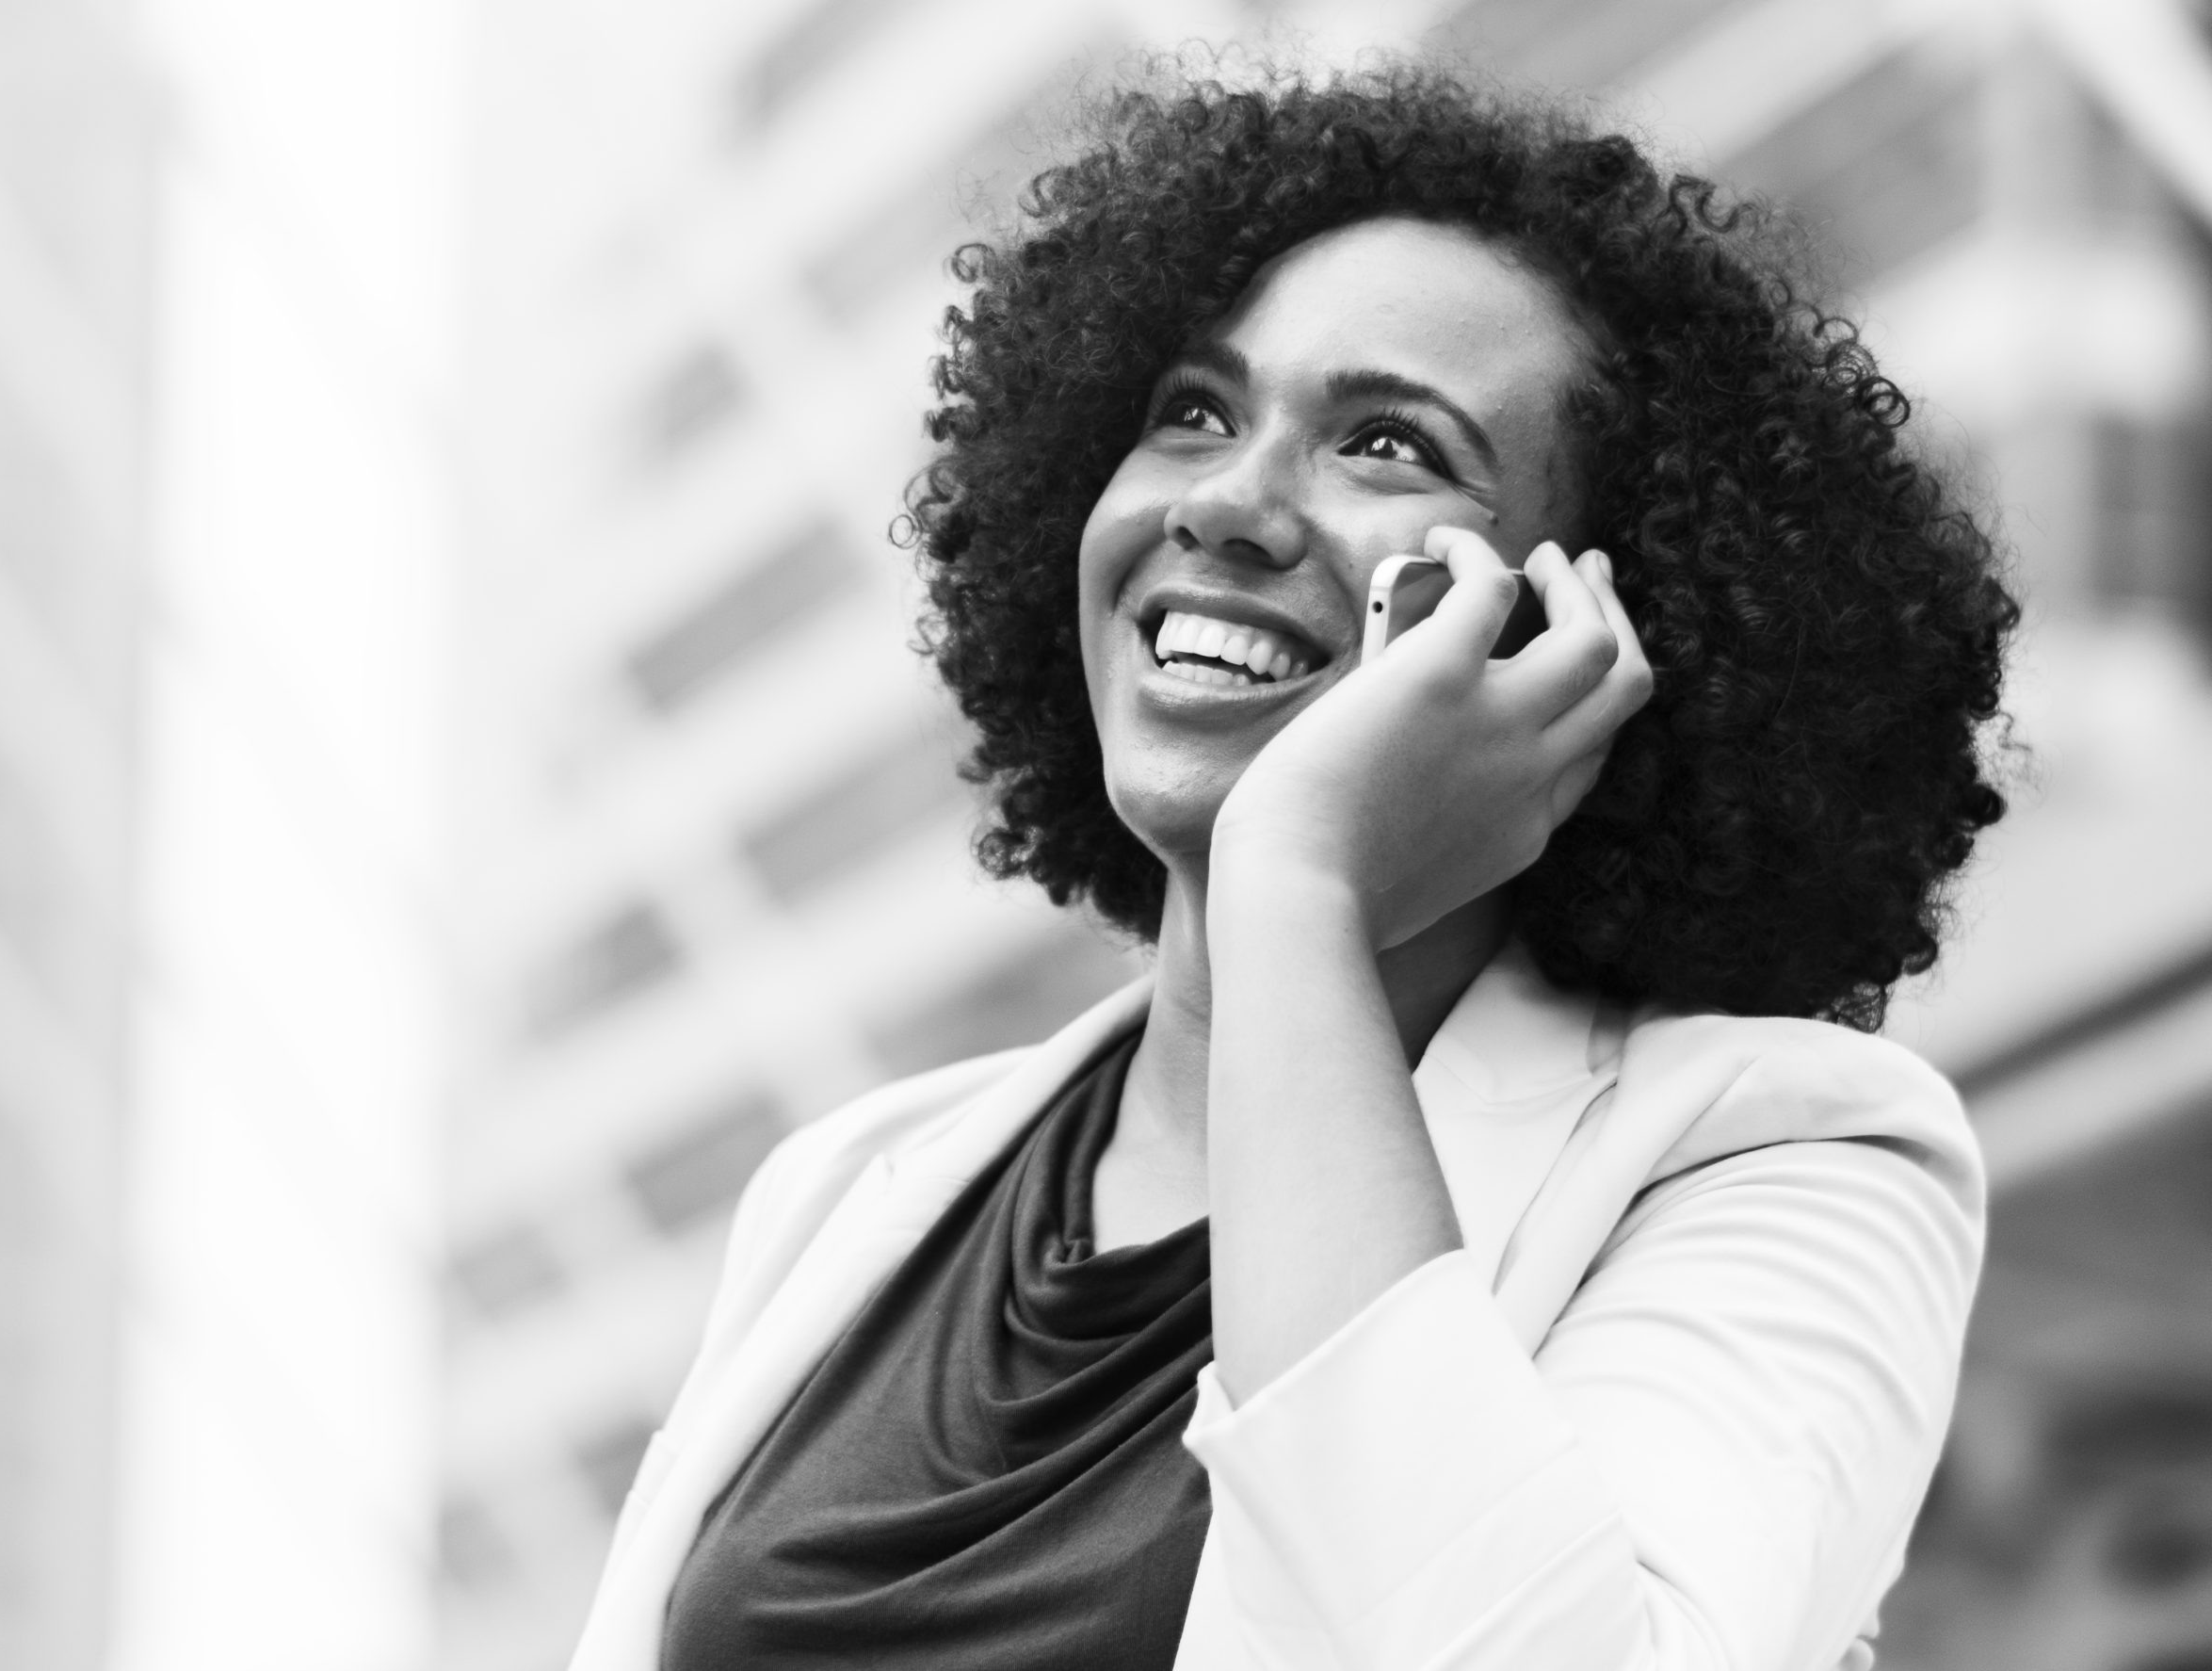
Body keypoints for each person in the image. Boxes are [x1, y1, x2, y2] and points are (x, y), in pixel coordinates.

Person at [572, 61, 2016, 1671]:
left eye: (1387, 443)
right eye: (1192, 411)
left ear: (1586, 627)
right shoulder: (854, 1184)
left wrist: (1301, 887)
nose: (1231, 503)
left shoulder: (1784, 1161)